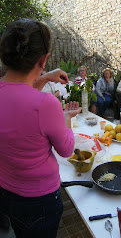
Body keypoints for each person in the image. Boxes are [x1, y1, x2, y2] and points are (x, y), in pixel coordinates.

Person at [0, 18, 81, 238]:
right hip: (38, 201)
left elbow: (18, 95)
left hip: (6, 190)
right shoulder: (46, 105)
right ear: (44, 59)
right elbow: (66, 150)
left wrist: (43, 77)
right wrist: (66, 119)